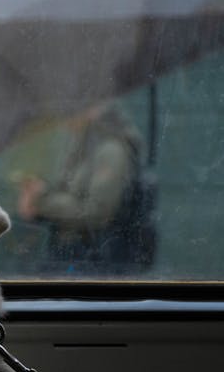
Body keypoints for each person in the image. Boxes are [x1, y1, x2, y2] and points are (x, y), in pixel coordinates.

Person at [17, 102, 154, 275]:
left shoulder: (110, 150)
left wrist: (42, 201)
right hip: (71, 254)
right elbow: (69, 191)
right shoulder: (82, 144)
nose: (63, 117)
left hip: (93, 261)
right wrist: (38, 195)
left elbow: (97, 212)